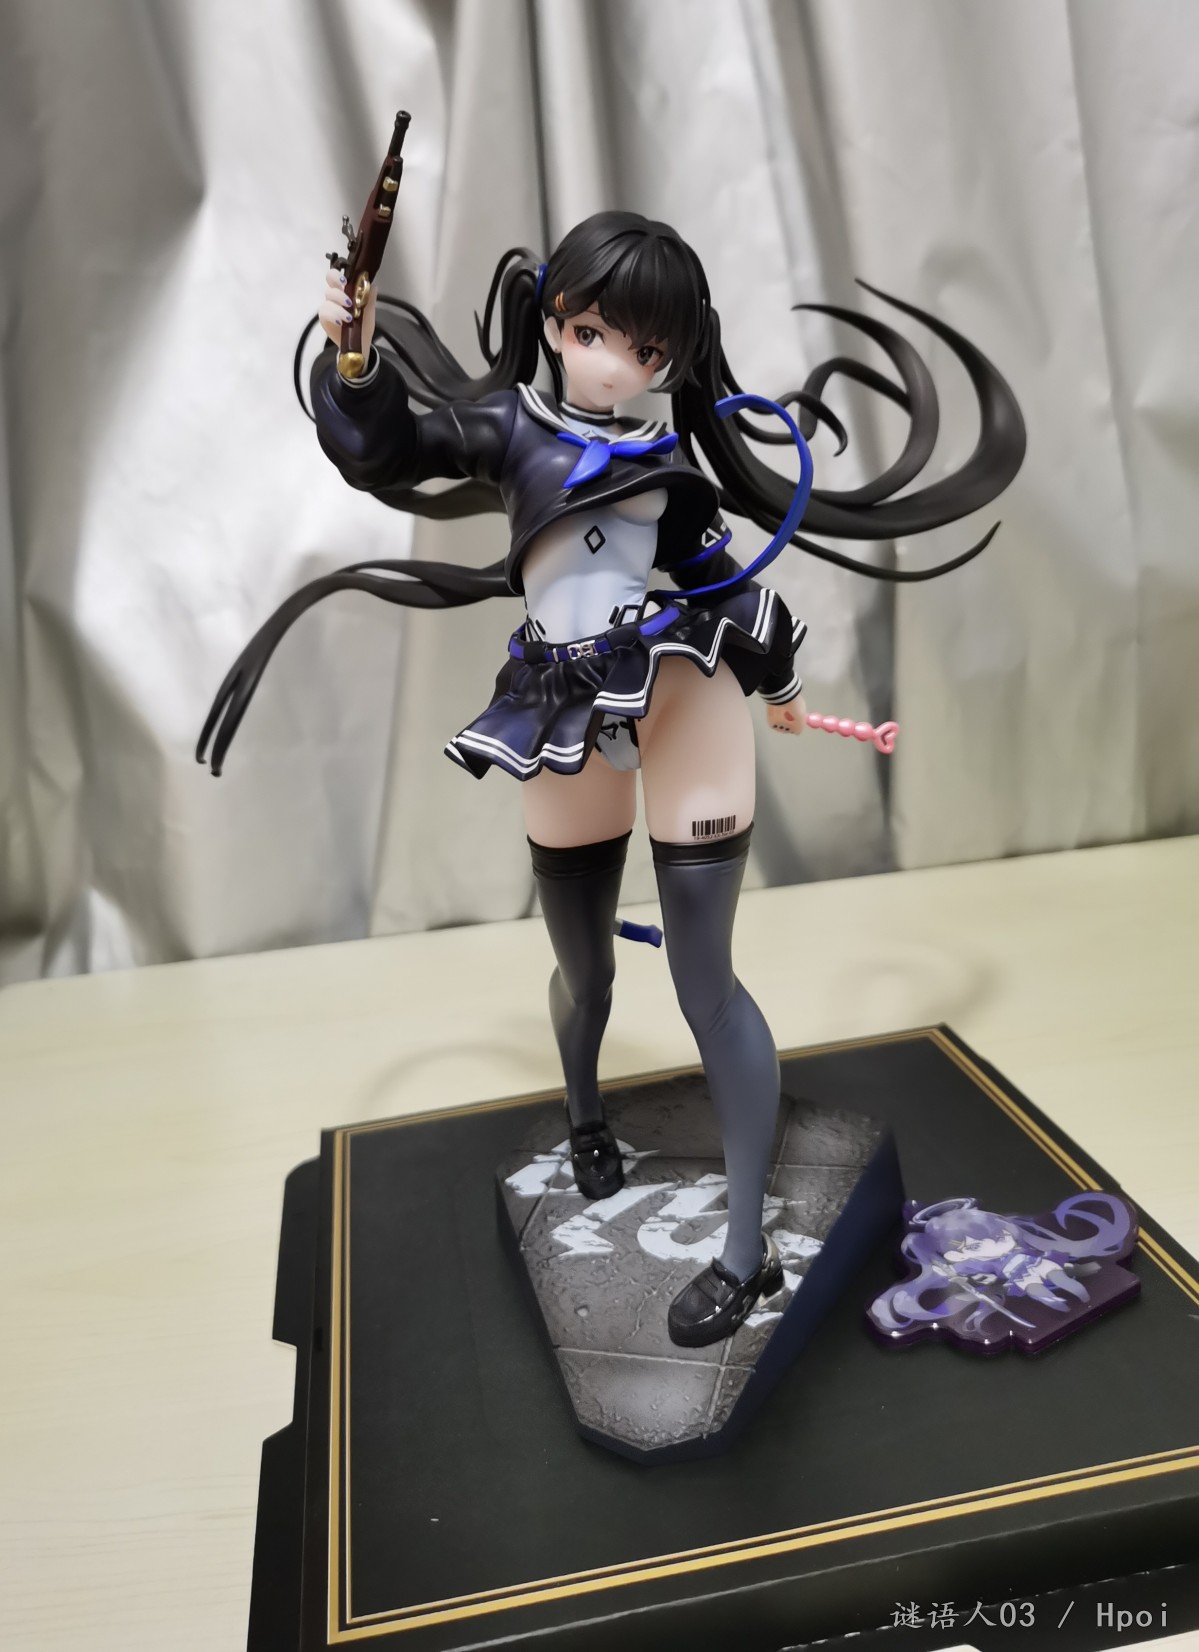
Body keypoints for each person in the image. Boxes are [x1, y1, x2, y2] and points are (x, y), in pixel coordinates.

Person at [199, 211, 1024, 1345]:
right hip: (559, 708)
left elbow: (715, 577)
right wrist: (354, 358)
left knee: (705, 983)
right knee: (583, 972)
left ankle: (745, 1253)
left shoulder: (667, 464)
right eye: (593, 333)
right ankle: (585, 1112)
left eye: (647, 352)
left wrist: (777, 673)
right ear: (554, 322)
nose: (616, 365)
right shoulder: (505, 425)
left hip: (681, 694)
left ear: (671, 360)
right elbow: (392, 447)